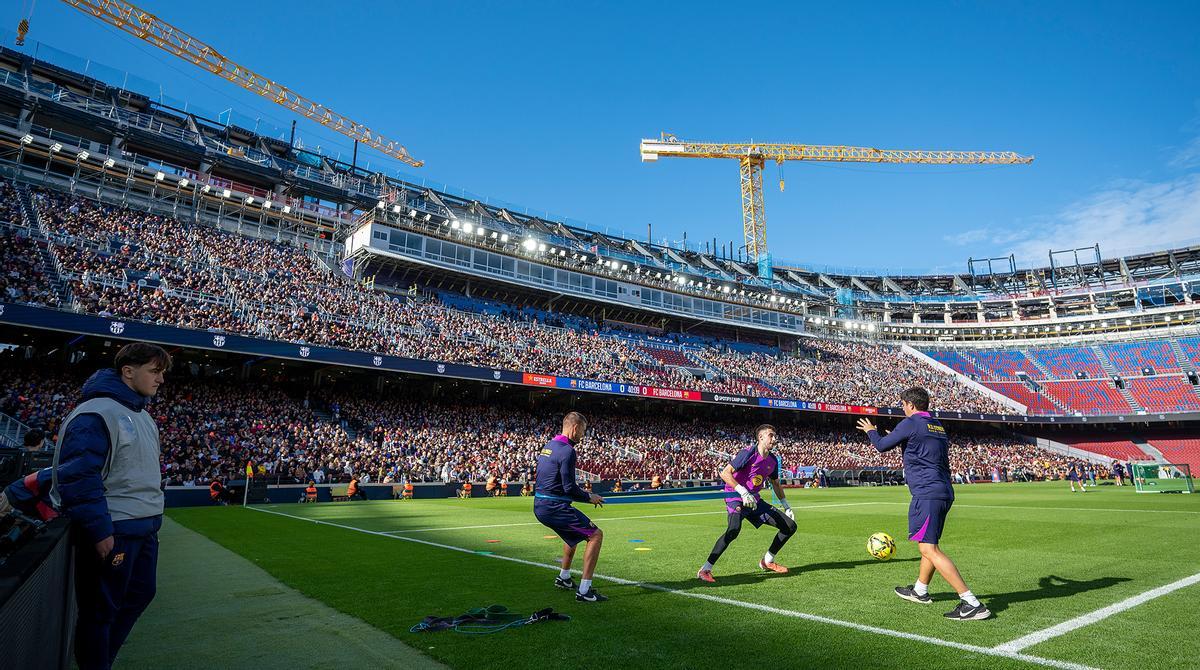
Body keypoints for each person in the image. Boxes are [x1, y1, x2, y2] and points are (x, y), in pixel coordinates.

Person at [52, 342, 173, 668]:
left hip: (143, 528)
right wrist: (99, 528)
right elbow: (79, 475)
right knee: (100, 611)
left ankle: (102, 660)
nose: (160, 380)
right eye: (154, 371)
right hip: (114, 528)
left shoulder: (143, 415)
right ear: (128, 371)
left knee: (139, 595)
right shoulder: (96, 413)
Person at [856, 387, 991, 621]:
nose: (903, 408)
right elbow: (922, 450)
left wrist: (871, 431)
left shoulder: (911, 422)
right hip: (943, 490)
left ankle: (971, 602)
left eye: (903, 405)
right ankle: (920, 590)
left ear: (910, 404)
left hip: (927, 492)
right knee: (928, 543)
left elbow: (881, 445)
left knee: (928, 549)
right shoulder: (936, 425)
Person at [697, 424, 796, 583]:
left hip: (754, 499)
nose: (774, 439)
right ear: (761, 437)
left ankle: (767, 561)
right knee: (734, 529)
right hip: (735, 494)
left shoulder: (772, 460)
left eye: (775, 435)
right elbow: (725, 473)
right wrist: (742, 492)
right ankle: (705, 569)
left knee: (790, 526)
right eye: (771, 435)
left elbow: (776, 483)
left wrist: (786, 505)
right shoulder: (748, 453)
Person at [534, 411, 607, 602]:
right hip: (554, 506)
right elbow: (569, 488)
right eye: (583, 430)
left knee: (572, 534)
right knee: (595, 535)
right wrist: (589, 497)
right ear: (575, 428)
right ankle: (584, 592)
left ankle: (564, 578)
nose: (583, 435)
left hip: (541, 504)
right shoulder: (567, 451)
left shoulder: (549, 446)